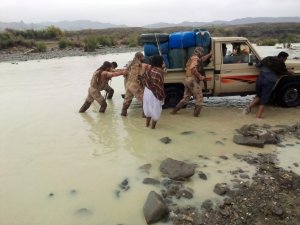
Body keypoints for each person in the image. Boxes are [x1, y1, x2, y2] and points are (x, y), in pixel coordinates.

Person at [245, 51, 294, 118]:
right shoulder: (281, 63)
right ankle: (258, 116)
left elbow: (257, 65)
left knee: (258, 95)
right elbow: (284, 72)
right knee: (264, 99)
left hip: (260, 79)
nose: (285, 60)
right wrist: (291, 72)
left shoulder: (268, 58)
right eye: (286, 59)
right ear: (283, 58)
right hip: (268, 81)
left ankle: (248, 108)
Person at [171, 47, 212, 117]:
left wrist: (209, 54)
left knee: (186, 98)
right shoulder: (196, 59)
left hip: (187, 80)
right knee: (199, 98)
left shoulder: (193, 58)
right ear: (199, 52)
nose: (202, 54)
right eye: (202, 52)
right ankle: (196, 115)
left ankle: (174, 111)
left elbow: (202, 59)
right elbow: (193, 68)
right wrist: (200, 76)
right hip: (193, 81)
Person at [141, 55, 165, 129]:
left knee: (148, 109)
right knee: (155, 110)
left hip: (147, 91)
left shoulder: (148, 69)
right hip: (154, 93)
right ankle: (152, 129)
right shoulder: (160, 72)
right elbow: (160, 84)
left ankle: (147, 126)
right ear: (160, 62)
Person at [121, 52, 146, 117]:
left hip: (128, 84)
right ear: (139, 57)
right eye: (143, 57)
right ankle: (144, 115)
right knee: (144, 99)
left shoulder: (129, 63)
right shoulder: (139, 64)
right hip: (135, 85)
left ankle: (123, 114)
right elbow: (140, 76)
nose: (144, 58)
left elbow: (124, 74)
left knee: (127, 100)